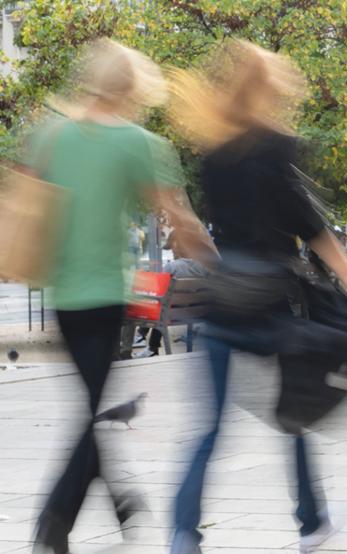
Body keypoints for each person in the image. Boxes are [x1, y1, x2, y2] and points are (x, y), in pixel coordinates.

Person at [167, 40, 347, 554]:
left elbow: (215, 231)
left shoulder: (214, 150)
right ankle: (311, 523)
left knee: (208, 429)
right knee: (294, 412)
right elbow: (309, 225)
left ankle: (182, 535)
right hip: (271, 301)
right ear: (267, 86)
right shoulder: (276, 144)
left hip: (223, 299)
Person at [25, 39, 210, 554]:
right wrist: (219, 263)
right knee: (92, 413)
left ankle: (117, 501)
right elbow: (179, 219)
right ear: (131, 86)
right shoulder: (139, 143)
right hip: (107, 295)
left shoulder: (51, 134)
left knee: (91, 408)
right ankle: (53, 521)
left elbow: (30, 203)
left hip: (64, 293)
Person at [132, 232, 209, 358]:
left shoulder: (172, 267)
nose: (172, 252)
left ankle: (146, 341)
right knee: (164, 307)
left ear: (178, 246)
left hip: (170, 315)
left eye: (172, 248)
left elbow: (157, 290)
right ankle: (142, 338)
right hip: (193, 313)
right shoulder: (202, 267)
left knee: (159, 306)